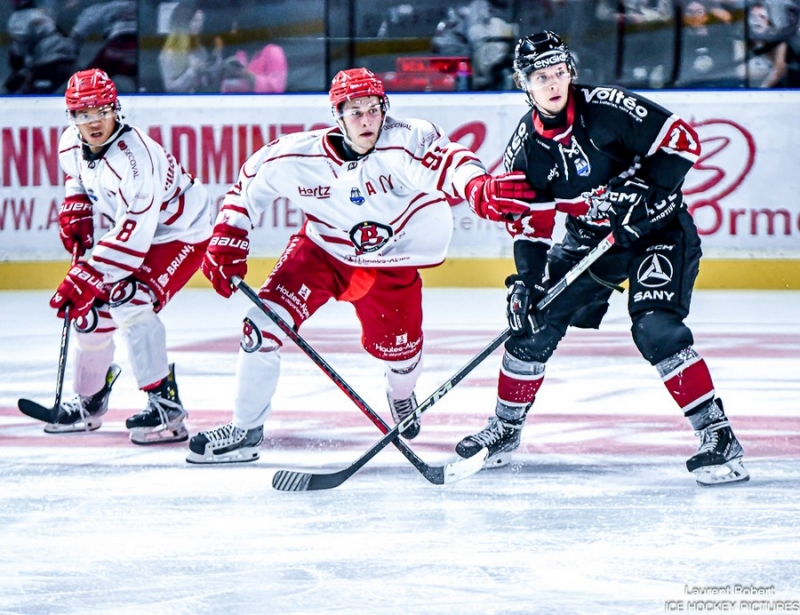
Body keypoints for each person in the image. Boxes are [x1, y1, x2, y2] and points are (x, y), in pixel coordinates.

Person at [186, 67, 534, 464]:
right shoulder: (298, 156)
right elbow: (249, 186)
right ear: (337, 115)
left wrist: (477, 188)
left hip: (389, 262)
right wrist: (229, 234)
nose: (367, 120)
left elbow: (452, 162)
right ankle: (245, 431)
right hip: (321, 253)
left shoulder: (407, 137)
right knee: (260, 327)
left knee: (401, 355)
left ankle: (401, 397)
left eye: (374, 109)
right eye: (356, 112)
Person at [454, 31, 749, 487]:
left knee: (656, 328)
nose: (553, 84)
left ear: (570, 71)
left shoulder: (608, 107)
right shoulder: (527, 148)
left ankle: (718, 436)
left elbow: (683, 142)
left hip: (658, 232)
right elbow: (532, 225)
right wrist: (527, 283)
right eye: (540, 77)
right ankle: (505, 431)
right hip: (590, 241)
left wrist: (650, 190)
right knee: (532, 323)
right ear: (522, 83)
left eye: (559, 72)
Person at [41, 68, 214, 444]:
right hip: (141, 231)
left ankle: (166, 408)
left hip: (183, 233)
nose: (93, 121)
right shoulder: (71, 142)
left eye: (101, 110)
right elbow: (77, 175)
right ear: (71, 117)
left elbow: (134, 239)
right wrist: (77, 205)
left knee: (129, 299)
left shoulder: (136, 162)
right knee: (89, 317)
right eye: (83, 114)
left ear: (116, 109)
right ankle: (89, 401)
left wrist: (86, 274)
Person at [4, 0, 77, 94]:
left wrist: (16, 64)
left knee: (29, 95)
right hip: (68, 57)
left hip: (50, 61)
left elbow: (20, 47)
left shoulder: (18, 18)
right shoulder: (42, 12)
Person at [159, 1, 223, 93]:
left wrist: (217, 57)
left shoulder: (200, 49)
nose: (199, 25)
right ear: (184, 21)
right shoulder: (170, 52)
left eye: (201, 21)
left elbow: (207, 81)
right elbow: (171, 88)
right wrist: (192, 72)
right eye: (195, 20)